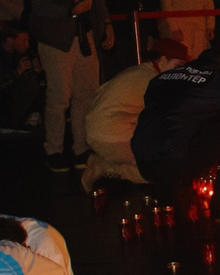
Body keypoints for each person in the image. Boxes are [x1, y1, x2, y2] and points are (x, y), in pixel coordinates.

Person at [134, 46, 220, 219]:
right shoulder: (216, 82)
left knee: (179, 128)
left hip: (143, 159)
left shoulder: (161, 78)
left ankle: (166, 196)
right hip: (173, 161)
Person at [29, 0, 106, 171]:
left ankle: (81, 147)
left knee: (86, 92)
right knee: (59, 97)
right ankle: (54, 148)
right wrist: (71, 10)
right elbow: (39, 5)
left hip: (83, 34)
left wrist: (104, 22)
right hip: (57, 38)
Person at [79, 35, 188, 187]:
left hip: (102, 130)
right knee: (162, 170)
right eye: (178, 66)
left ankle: (109, 160)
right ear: (163, 60)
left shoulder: (142, 71)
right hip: (109, 135)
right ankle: (105, 166)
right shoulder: (153, 81)